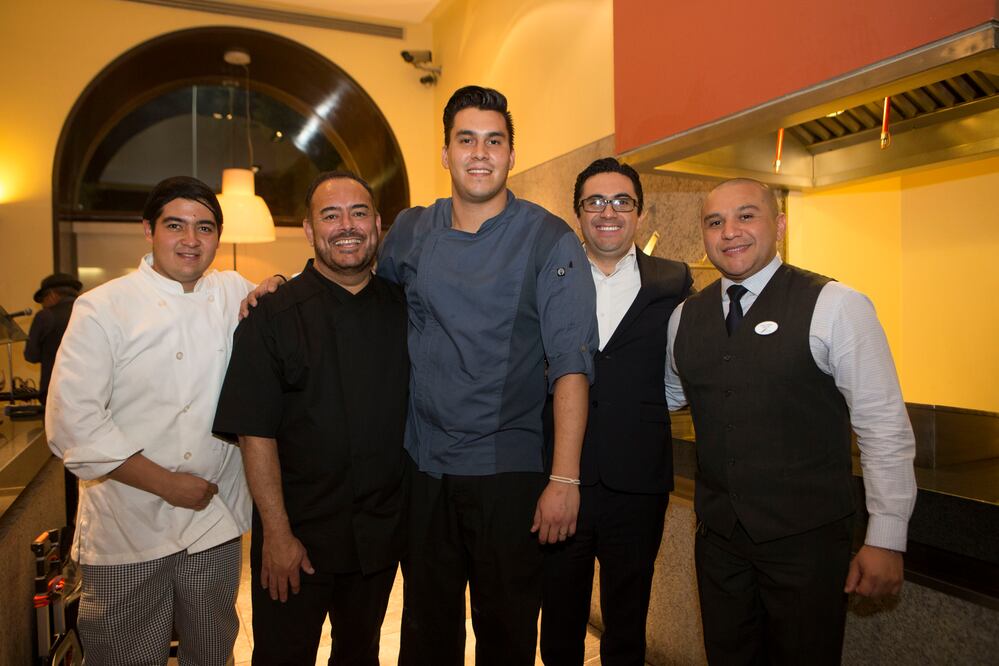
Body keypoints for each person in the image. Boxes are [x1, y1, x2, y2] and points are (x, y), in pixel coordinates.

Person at [376, 85, 599, 665]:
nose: (480, 153)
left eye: (494, 141)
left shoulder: (549, 238)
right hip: (424, 469)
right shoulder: (411, 231)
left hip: (507, 473)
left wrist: (565, 479)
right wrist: (282, 285)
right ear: (445, 152)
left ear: (511, 154)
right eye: (467, 140)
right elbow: (357, 290)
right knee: (426, 636)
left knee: (506, 637)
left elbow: (571, 366)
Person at [665, 178, 917, 664]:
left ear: (779, 225)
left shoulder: (836, 305)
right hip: (719, 543)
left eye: (746, 216)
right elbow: (670, 395)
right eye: (715, 222)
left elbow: (883, 424)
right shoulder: (684, 318)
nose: (730, 231)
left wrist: (886, 537)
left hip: (808, 543)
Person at [45, 176, 254, 664]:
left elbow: (283, 300)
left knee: (212, 651)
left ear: (218, 237)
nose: (191, 240)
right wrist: (168, 484)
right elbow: (73, 423)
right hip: (127, 525)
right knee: (126, 655)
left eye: (205, 227)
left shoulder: (231, 291)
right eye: (175, 225)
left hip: (213, 523)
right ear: (148, 230)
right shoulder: (102, 307)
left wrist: (279, 283)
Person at [213, 171, 409, 665]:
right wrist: (277, 536)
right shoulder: (271, 316)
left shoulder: (404, 309)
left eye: (359, 213)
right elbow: (255, 433)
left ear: (377, 224)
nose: (347, 226)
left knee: (360, 655)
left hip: (378, 537)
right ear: (308, 229)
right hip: (298, 540)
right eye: (331, 215)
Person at [540, 158, 692, 665]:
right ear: (578, 213)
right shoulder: (550, 278)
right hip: (562, 476)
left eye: (622, 201)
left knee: (628, 621)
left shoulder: (673, 281)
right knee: (559, 617)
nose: (609, 212)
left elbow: (691, 360)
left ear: (639, 213)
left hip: (638, 481)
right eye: (596, 202)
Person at [24, 272, 81, 405]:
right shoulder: (89, 313)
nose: (43, 305)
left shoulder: (45, 316)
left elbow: (31, 355)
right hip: (88, 389)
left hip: (55, 392)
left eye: (43, 300)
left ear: (52, 295)